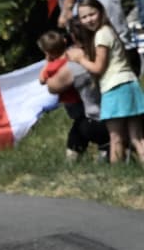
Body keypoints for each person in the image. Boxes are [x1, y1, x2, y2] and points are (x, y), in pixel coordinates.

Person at [66, 0, 144, 164]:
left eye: (92, 14)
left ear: (101, 12)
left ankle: (117, 178)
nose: (88, 20)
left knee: (115, 138)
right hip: (130, 84)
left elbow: (98, 68)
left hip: (114, 88)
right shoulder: (109, 30)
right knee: (137, 137)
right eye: (84, 17)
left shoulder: (101, 35)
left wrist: (79, 58)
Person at [38, 29, 109, 162]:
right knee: (77, 133)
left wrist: (47, 62)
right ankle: (85, 159)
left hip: (83, 111)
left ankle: (105, 156)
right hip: (86, 108)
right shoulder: (74, 59)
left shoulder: (59, 66)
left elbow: (46, 83)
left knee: (91, 133)